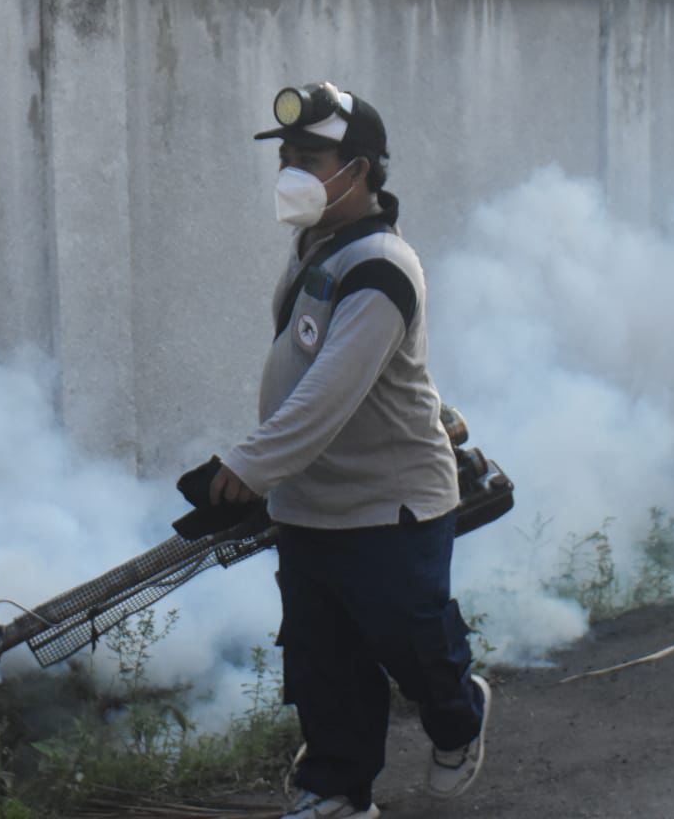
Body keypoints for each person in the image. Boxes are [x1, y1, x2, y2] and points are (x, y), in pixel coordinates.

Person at [207, 82, 491, 819]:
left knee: (412, 646)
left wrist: (247, 466)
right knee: (322, 660)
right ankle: (336, 787)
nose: (291, 173)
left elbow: (330, 393)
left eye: (309, 158)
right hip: (310, 505)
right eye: (288, 158)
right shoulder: (318, 248)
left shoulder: (383, 267)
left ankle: (459, 715)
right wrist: (267, 474)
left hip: (390, 505)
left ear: (357, 169)